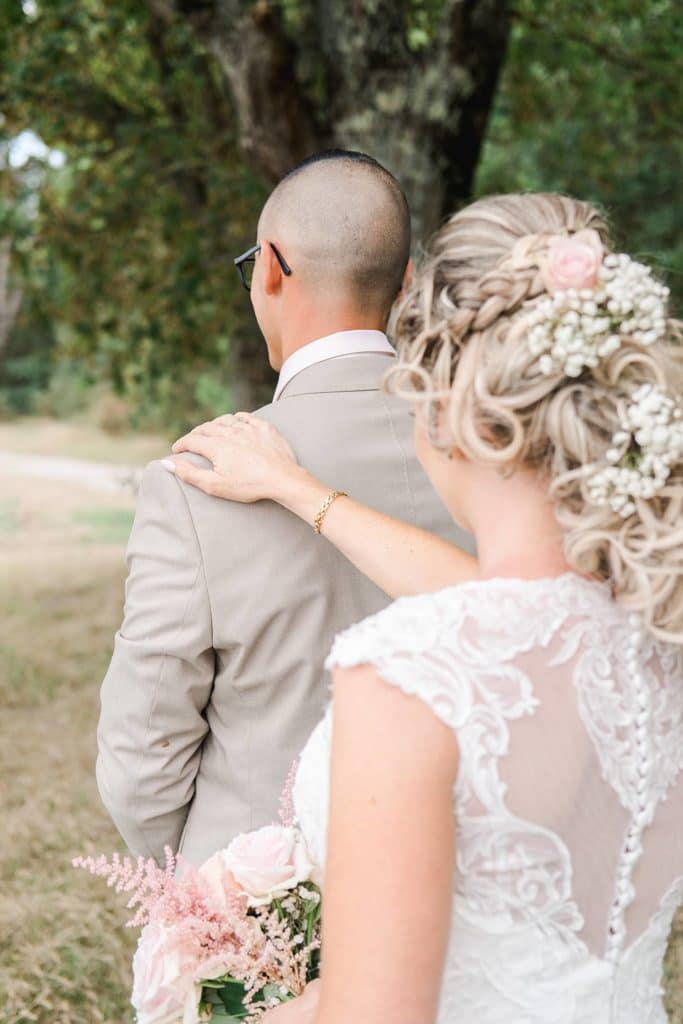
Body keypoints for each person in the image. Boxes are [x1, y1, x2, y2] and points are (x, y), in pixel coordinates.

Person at [168, 192, 683, 1023]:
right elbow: (506, 608)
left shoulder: (409, 671)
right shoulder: (652, 635)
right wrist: (299, 491)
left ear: (445, 404)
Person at [96, 149, 473, 868]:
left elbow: (142, 747)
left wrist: (210, 888)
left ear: (269, 268)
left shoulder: (192, 482)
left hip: (265, 905)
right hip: (460, 883)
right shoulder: (495, 454)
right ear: (403, 284)